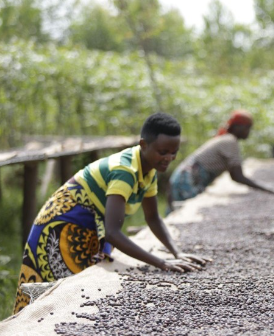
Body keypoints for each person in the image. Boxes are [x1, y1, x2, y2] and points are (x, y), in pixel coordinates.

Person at [14, 113, 209, 314]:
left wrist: (177, 252)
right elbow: (113, 233)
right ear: (143, 144)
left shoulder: (149, 170)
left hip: (88, 226)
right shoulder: (125, 170)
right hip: (62, 226)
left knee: (79, 296)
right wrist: (162, 263)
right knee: (52, 297)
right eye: (163, 152)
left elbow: (152, 217)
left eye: (174, 153)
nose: (169, 158)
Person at [168, 109, 274, 211]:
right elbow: (238, 176)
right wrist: (265, 188)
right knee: (184, 210)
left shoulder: (226, 140)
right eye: (247, 127)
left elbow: (235, 175)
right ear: (237, 127)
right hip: (187, 179)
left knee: (179, 210)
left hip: (185, 176)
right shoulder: (230, 141)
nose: (248, 131)